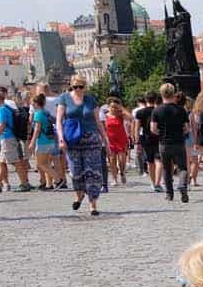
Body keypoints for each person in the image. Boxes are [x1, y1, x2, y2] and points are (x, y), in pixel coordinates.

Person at [56, 77, 108, 216]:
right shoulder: (64, 98)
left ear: (85, 87)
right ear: (71, 87)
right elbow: (59, 121)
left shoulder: (91, 99)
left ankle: (93, 204)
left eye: (80, 86)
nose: (78, 89)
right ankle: (79, 195)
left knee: (93, 172)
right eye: (75, 87)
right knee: (76, 171)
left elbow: (98, 122)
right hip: (72, 140)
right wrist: (61, 139)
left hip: (91, 139)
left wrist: (105, 140)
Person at [154, 83, 190, 203]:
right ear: (173, 93)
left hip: (164, 143)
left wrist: (161, 132)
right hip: (179, 142)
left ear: (162, 94)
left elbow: (153, 129)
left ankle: (169, 194)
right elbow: (187, 128)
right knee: (182, 167)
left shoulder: (157, 110)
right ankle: (182, 185)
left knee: (166, 168)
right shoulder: (181, 110)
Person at [28, 92, 61, 190]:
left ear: (36, 103)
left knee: (40, 164)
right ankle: (49, 184)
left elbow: (37, 129)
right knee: (46, 163)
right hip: (50, 140)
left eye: (32, 103)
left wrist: (32, 142)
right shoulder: (46, 112)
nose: (31, 105)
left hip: (42, 141)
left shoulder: (37, 114)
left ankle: (58, 179)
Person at [135, 92, 161, 192]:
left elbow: (137, 128)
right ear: (155, 100)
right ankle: (158, 183)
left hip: (146, 139)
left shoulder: (140, 112)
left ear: (146, 100)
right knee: (159, 161)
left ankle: (153, 183)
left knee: (150, 162)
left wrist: (137, 142)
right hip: (159, 137)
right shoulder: (158, 110)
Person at [105, 97, 132, 186]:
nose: (114, 109)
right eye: (112, 107)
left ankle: (122, 172)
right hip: (110, 140)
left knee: (121, 160)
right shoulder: (105, 115)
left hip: (121, 139)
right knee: (112, 160)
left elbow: (131, 117)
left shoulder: (121, 115)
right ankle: (114, 178)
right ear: (109, 107)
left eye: (116, 107)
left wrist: (122, 108)